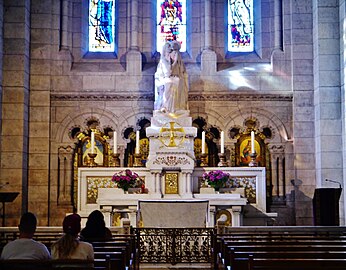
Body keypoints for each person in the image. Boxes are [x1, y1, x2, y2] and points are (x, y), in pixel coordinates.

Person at [154, 41, 189, 115]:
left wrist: (175, 61)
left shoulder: (179, 63)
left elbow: (182, 73)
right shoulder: (163, 62)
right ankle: (166, 107)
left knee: (176, 82)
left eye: (175, 53)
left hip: (175, 83)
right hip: (164, 83)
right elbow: (167, 72)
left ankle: (175, 108)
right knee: (169, 84)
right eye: (169, 53)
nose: (171, 55)